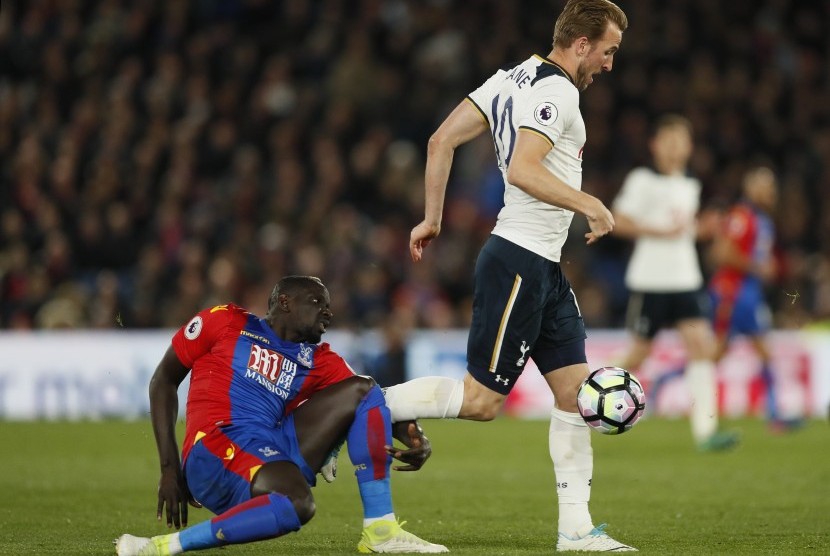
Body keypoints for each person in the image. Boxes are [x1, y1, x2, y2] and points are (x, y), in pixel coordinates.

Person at [371, 0, 636, 552]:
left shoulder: (507, 79)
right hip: (518, 257)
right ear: (582, 44)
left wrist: (433, 217)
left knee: (573, 394)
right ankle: (364, 409)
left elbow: (440, 140)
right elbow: (522, 168)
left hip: (541, 264)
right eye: (608, 51)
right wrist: (591, 204)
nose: (610, 64)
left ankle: (576, 530)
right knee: (481, 402)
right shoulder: (557, 90)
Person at [115, 275, 448, 555]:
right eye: (319, 302)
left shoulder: (317, 359)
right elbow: (163, 381)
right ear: (285, 302)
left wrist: (415, 436)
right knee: (298, 504)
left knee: (364, 389)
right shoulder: (225, 321)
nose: (329, 312)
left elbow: (379, 403)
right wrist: (170, 469)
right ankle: (160, 546)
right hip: (216, 445)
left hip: (270, 445)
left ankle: (381, 529)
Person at [609, 114, 739, 452]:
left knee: (701, 346)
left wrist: (701, 230)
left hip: (685, 278)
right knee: (640, 352)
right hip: (650, 278)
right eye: (668, 141)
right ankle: (585, 396)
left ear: (689, 147)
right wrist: (658, 231)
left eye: (681, 141)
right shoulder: (641, 180)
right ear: (654, 145)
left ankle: (706, 433)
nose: (674, 148)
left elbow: (683, 229)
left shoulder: (690, 184)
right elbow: (618, 221)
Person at [708, 166, 800, 431]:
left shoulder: (762, 220)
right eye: (766, 186)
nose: (772, 192)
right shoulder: (742, 216)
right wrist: (758, 267)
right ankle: (775, 415)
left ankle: (775, 414)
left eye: (773, 187)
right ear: (751, 189)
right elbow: (722, 253)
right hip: (734, 292)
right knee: (756, 352)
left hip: (747, 291)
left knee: (719, 353)